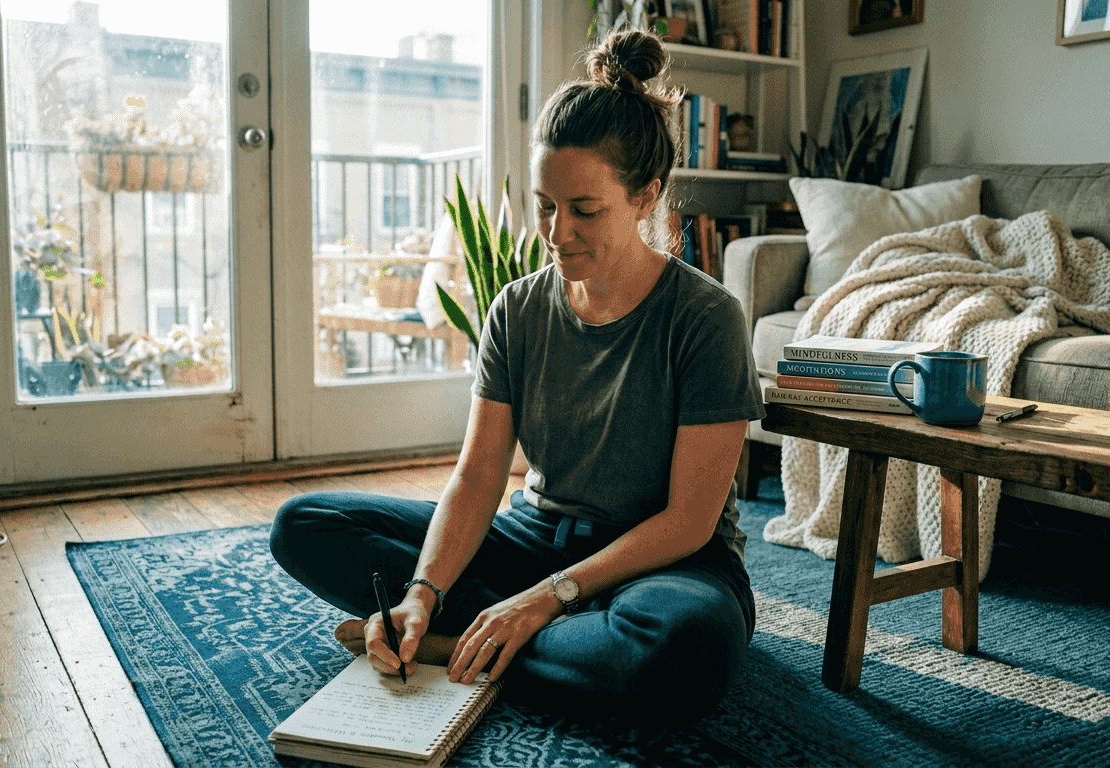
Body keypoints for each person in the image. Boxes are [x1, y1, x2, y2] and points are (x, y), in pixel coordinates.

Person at [270, 27, 765, 723]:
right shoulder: (517, 309)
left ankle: (467, 645)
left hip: (666, 566)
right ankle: (516, 638)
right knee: (306, 523)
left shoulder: (706, 317)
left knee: (684, 647)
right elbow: (476, 476)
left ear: (646, 196)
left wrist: (544, 599)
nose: (557, 232)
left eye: (584, 210)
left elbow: (688, 521)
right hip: (532, 541)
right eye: (544, 205)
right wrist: (422, 593)